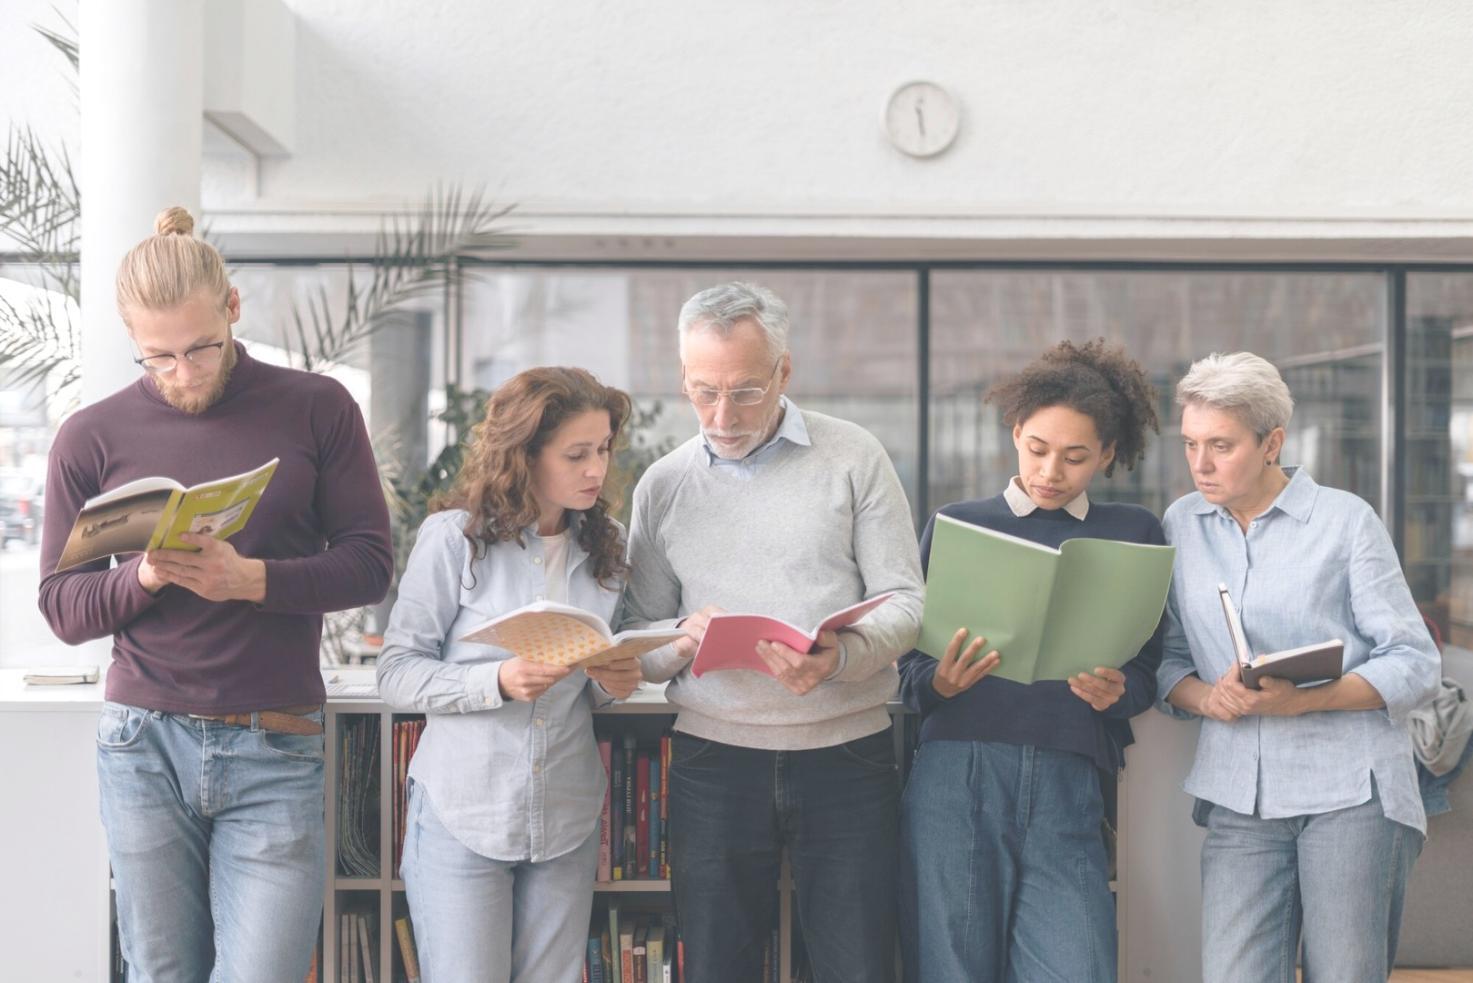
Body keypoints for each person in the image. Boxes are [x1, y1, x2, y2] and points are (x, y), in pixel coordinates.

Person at [38, 207, 394, 981]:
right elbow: (63, 608)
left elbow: (370, 565)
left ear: (233, 308)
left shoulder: (316, 406)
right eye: (157, 357)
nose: (183, 373)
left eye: (200, 347)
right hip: (142, 746)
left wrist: (252, 579)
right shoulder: (90, 437)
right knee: (161, 972)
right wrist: (146, 575)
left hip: (275, 739)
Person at [621, 281, 925, 983]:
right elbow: (638, 642)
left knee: (857, 965)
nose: (722, 415)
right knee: (716, 967)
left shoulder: (853, 456)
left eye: (746, 391)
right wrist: (680, 639)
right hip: (712, 763)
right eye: (703, 392)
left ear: (784, 372)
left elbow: (906, 603)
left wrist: (840, 656)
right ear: (683, 379)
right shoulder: (662, 485)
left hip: (846, 757)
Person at [1156, 351, 1441, 983]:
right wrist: (1207, 698)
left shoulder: (1344, 522)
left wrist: (1306, 698)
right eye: (1190, 444)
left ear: (1271, 443)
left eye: (1221, 446)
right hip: (1239, 797)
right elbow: (1167, 655)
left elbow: (1415, 660)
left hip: (1352, 794)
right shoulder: (1180, 525)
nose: (1201, 463)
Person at [896, 339, 1165, 983]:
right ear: (1016, 432)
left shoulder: (1133, 533)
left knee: (1079, 964)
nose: (1051, 471)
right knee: (952, 967)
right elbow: (903, 666)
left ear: (1105, 455)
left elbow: (1148, 669)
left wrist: (1117, 691)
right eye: (1038, 449)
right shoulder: (957, 524)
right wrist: (939, 678)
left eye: (1075, 458)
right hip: (955, 773)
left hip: (1068, 780)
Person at [376, 367, 644, 983]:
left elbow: (593, 688)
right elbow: (395, 672)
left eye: (603, 449)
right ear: (524, 455)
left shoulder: (607, 549)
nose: (596, 470)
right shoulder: (453, 540)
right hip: (462, 817)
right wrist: (495, 682)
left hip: (567, 820)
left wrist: (614, 680)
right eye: (576, 454)